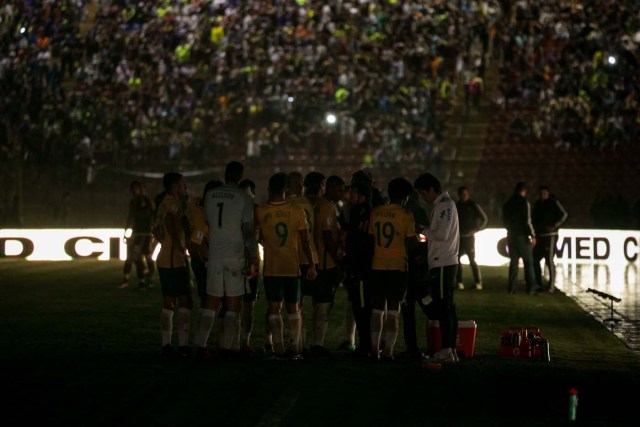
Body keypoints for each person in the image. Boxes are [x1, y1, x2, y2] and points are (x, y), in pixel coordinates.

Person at [193, 161, 259, 360]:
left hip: (214, 255)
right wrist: (254, 257)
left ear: (224, 173)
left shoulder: (210, 195)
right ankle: (226, 349)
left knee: (211, 301)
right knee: (233, 304)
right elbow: (248, 231)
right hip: (234, 255)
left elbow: (207, 222)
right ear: (240, 176)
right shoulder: (243, 198)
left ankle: (200, 346)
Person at [256, 172, 318, 360]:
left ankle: (278, 349)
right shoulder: (296, 210)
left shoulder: (261, 211)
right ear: (286, 189)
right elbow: (305, 241)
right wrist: (312, 265)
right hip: (292, 266)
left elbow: (256, 238)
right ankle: (294, 349)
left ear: (268, 189)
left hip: (271, 268)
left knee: (274, 308)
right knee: (294, 308)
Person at [368, 178, 418, 361]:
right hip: (397, 266)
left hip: (377, 264)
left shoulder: (376, 212)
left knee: (377, 308)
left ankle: (374, 349)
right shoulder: (406, 215)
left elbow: (371, 238)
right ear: (405, 197)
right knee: (394, 309)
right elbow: (412, 243)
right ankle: (388, 351)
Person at [414, 173, 460, 363]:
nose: (423, 198)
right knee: (447, 307)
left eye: (424, 193)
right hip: (444, 261)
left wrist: (422, 230)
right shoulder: (444, 205)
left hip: (442, 262)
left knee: (442, 307)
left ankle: (447, 350)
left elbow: (441, 234)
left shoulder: (444, 205)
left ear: (432, 189)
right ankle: (450, 350)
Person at [154, 173, 193, 358]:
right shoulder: (172, 204)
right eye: (182, 183)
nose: (184, 186)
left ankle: (167, 345)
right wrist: (178, 245)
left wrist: (165, 241)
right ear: (175, 186)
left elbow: (155, 229)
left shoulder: (163, 203)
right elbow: (169, 222)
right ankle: (181, 345)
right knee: (183, 301)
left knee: (170, 301)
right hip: (172, 259)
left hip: (166, 257)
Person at [310, 174, 345, 355]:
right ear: (330, 188)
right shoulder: (327, 207)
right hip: (325, 262)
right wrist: (338, 260)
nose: (342, 193)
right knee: (324, 304)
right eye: (339, 189)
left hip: (316, 260)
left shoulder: (318, 205)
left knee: (318, 304)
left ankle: (311, 342)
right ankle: (318, 345)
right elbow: (327, 236)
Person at [285, 171, 320, 355]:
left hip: (295, 258)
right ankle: (301, 343)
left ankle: (296, 344)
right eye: (298, 183)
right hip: (309, 257)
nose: (301, 186)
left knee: (294, 304)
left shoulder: (287, 204)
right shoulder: (306, 203)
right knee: (301, 303)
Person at [342, 181, 375, 358]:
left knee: (363, 307)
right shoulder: (357, 211)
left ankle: (366, 346)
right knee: (359, 306)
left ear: (360, 194)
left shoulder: (366, 212)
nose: (350, 195)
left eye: (353, 191)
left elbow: (363, 241)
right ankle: (365, 344)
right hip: (356, 266)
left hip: (362, 268)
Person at [399, 186, 431, 360]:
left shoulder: (403, 213)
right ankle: (442, 343)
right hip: (420, 266)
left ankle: (412, 347)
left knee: (407, 311)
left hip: (405, 266)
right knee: (430, 306)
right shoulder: (418, 212)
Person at [502, 182, 538, 295]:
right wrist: (532, 235)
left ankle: (512, 288)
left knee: (514, 262)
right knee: (528, 262)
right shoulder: (524, 202)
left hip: (511, 235)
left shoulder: (508, 203)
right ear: (524, 191)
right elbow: (527, 221)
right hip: (522, 235)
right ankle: (531, 288)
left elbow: (504, 219)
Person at [532, 185, 568, 293]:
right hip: (539, 235)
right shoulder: (537, 204)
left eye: (544, 194)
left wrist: (555, 225)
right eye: (541, 194)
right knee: (535, 259)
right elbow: (533, 218)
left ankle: (551, 285)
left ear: (548, 194)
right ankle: (538, 283)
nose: (542, 196)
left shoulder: (553, 203)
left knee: (549, 260)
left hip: (550, 236)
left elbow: (564, 214)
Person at [120, 181, 155, 290]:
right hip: (138, 233)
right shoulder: (135, 201)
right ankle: (142, 281)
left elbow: (147, 214)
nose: (134, 191)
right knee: (135, 257)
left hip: (145, 233)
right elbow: (130, 216)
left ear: (141, 189)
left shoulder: (144, 201)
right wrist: (126, 231)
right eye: (133, 189)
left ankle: (144, 280)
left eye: (136, 188)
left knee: (141, 257)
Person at [455, 186, 488, 290]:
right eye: (462, 194)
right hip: (459, 238)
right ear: (459, 195)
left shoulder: (473, 205)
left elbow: (485, 219)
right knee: (456, 260)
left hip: (469, 238)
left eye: (465, 194)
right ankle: (459, 282)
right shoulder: (456, 206)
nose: (464, 196)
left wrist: (477, 229)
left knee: (472, 260)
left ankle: (478, 282)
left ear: (468, 194)